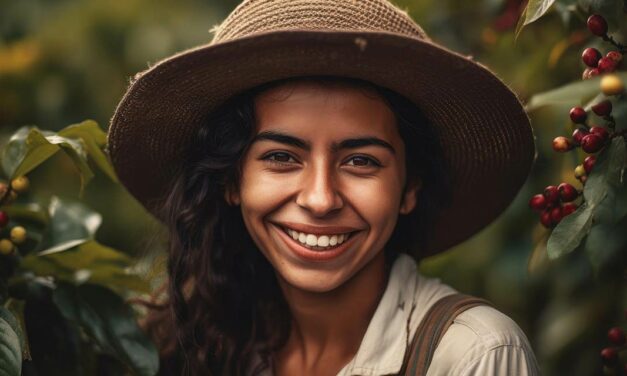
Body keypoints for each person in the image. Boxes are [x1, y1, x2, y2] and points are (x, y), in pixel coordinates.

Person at [106, 0, 540, 375]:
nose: (319, 199)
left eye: (360, 161)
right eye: (281, 157)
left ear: (410, 187)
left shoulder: (474, 355)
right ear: (231, 179)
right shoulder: (194, 345)